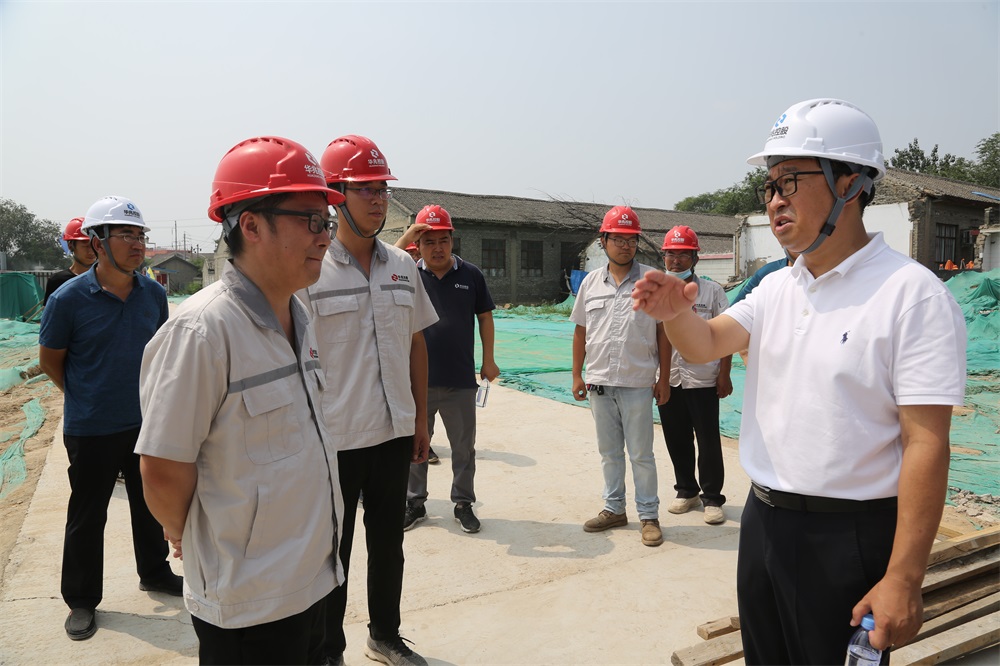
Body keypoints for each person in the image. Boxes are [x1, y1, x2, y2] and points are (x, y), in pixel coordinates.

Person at [632, 98, 967, 663]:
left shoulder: (911, 296)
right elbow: (707, 343)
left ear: (850, 184)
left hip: (848, 537)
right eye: (769, 186)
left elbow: (927, 442)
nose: (775, 199)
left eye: (790, 180)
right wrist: (676, 315)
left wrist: (904, 577)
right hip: (764, 520)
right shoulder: (777, 287)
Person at [136, 136, 346, 664]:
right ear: (251, 225)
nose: (325, 237)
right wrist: (195, 534)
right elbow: (162, 469)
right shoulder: (202, 332)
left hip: (313, 578)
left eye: (327, 222)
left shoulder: (299, 315)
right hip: (249, 602)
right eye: (311, 221)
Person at [302, 135, 437, 666]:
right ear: (335, 195)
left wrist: (420, 420)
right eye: (366, 189)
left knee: (388, 543)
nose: (379, 200)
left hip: (393, 432)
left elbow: (415, 342)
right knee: (330, 553)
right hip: (334, 438)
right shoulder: (311, 268)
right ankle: (328, 650)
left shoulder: (402, 263)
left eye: (383, 189)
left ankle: (385, 635)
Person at [38, 195, 178, 642]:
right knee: (87, 514)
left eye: (140, 235)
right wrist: (86, 396)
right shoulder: (68, 299)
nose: (137, 245)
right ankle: (81, 600)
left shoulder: (153, 294)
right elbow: (50, 361)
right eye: (125, 235)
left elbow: (161, 353)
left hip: (145, 422)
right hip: (91, 427)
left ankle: (154, 572)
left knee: (149, 504)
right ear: (97, 243)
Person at [570, 206, 670, 547]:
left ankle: (649, 516)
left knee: (641, 454)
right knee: (609, 453)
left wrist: (663, 378)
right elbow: (581, 332)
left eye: (631, 240)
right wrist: (577, 375)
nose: (625, 246)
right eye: (618, 239)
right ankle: (614, 509)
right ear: (604, 241)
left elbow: (664, 333)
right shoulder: (590, 283)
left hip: (637, 382)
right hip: (599, 381)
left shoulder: (652, 281)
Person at [400, 205, 500, 534]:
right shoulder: (406, 273)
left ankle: (463, 503)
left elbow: (485, 316)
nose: (438, 248)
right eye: (429, 242)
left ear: (452, 240)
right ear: (417, 245)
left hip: (460, 380)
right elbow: (377, 263)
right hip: (417, 382)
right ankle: (415, 501)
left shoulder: (471, 275)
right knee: (416, 446)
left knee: (463, 448)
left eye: (443, 240)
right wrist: (406, 236)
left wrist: (488, 359)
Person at [657, 225, 733, 525]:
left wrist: (724, 374)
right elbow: (656, 337)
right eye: (671, 255)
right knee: (676, 438)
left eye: (683, 255)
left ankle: (712, 497)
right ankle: (686, 490)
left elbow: (726, 333)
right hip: (670, 379)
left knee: (708, 439)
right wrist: (661, 379)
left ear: (695, 259)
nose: (676, 261)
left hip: (703, 378)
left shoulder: (712, 292)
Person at [43, 217, 97, 305]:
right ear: (70, 246)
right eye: (86, 246)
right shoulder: (58, 281)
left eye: (94, 245)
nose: (91, 251)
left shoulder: (106, 280)